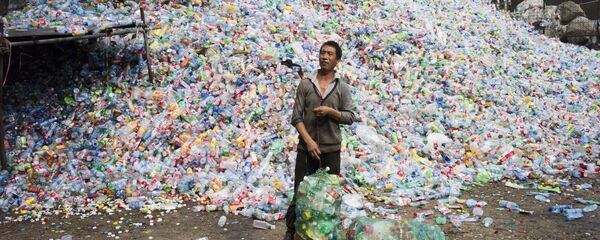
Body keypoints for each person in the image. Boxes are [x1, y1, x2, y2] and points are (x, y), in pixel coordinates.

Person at [284, 41, 359, 240]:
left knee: (329, 195)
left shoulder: (341, 87)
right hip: (306, 148)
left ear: (337, 60)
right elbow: (296, 117)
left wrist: (331, 112)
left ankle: (326, 233)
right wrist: (308, 142)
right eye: (322, 53)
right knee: (301, 192)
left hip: (331, 150)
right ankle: (292, 231)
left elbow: (349, 116)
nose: (325, 57)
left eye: (330, 54)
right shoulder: (306, 84)